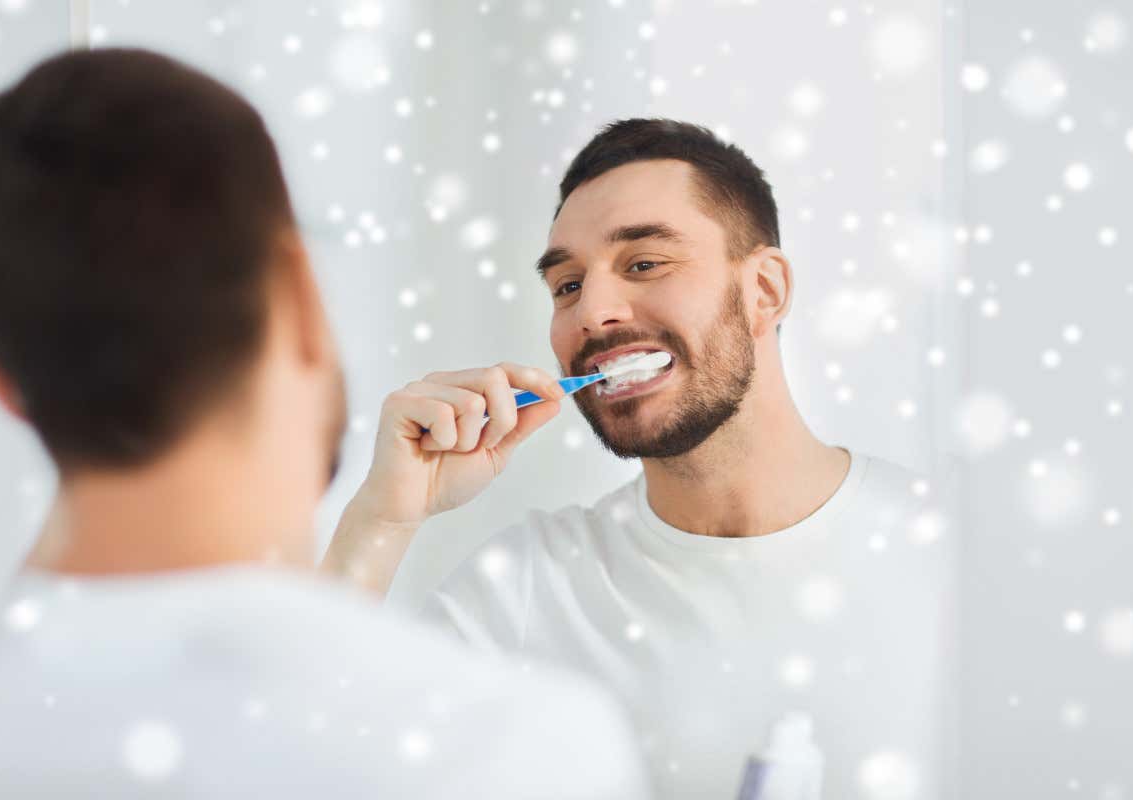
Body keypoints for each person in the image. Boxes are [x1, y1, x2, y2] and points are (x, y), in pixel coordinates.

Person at [0, 49, 649, 799]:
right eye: (567, 284)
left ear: (4, 381)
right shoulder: (509, 748)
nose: (597, 310)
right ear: (301, 291)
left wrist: (381, 522)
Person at [326, 119, 958, 799]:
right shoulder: (527, 592)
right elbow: (301, 759)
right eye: (566, 285)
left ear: (765, 291)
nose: (592, 311)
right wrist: (382, 521)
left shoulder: (956, 556)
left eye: (644, 264)